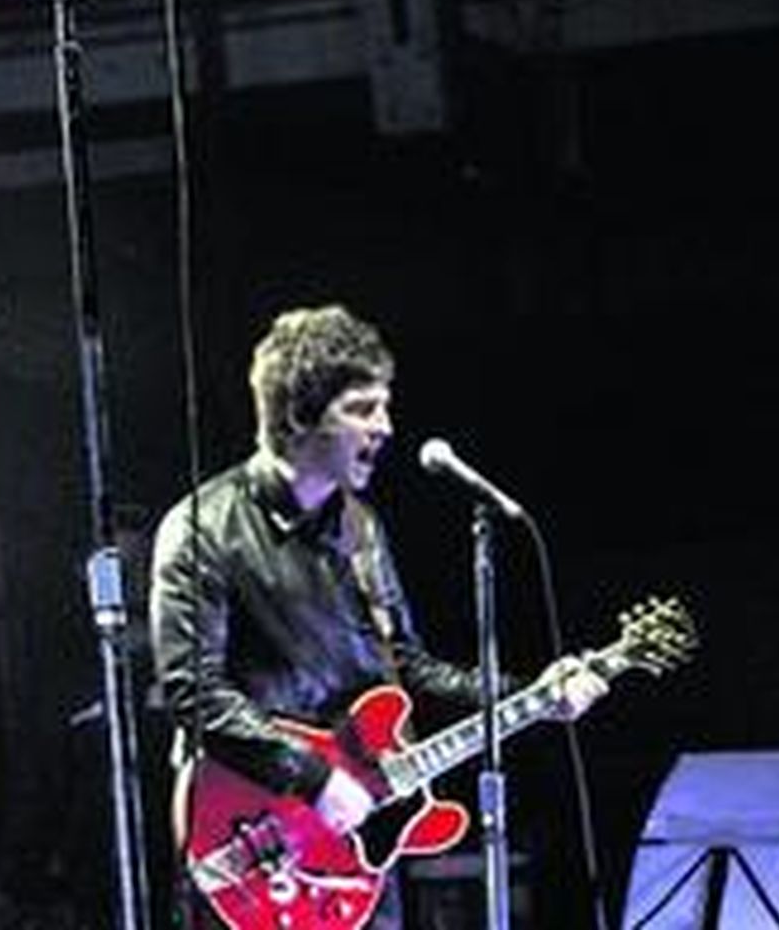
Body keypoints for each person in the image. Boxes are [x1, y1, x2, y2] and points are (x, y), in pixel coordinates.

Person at [149, 305, 606, 928]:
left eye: (384, 407)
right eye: (362, 409)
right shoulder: (205, 525)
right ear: (299, 413)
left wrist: (532, 693)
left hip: (355, 847)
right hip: (255, 839)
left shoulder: (361, 529)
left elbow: (406, 669)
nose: (385, 427)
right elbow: (193, 692)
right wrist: (311, 778)